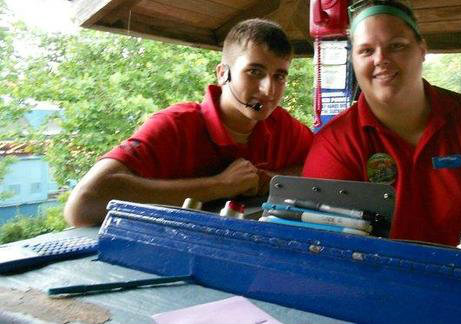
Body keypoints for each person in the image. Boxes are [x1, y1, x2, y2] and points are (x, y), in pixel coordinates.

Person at [302, 0, 461, 253]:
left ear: (422, 50)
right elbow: (325, 248)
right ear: (353, 62)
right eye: (366, 50)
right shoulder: (335, 143)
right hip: (376, 287)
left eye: (397, 46)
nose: (381, 59)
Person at [65, 18, 313, 227]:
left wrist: (270, 180)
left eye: (279, 76)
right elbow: (83, 205)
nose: (269, 90)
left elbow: (327, 172)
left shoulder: (281, 125)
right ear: (222, 73)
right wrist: (219, 185)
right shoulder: (175, 125)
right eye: (255, 72)